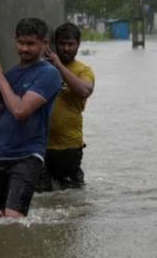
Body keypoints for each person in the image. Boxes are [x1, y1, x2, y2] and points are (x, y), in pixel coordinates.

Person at [0, 17, 62, 218]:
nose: (24, 49)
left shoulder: (49, 74)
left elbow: (20, 111)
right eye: (21, 43)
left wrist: (0, 80)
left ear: (44, 43)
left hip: (27, 155)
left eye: (31, 44)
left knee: (13, 219)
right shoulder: (9, 76)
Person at [43, 22, 95, 190]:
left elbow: (85, 90)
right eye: (62, 44)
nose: (66, 48)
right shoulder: (43, 68)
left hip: (70, 146)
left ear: (78, 45)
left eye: (70, 44)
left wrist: (59, 66)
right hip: (41, 145)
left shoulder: (83, 70)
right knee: (43, 195)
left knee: (72, 196)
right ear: (55, 44)